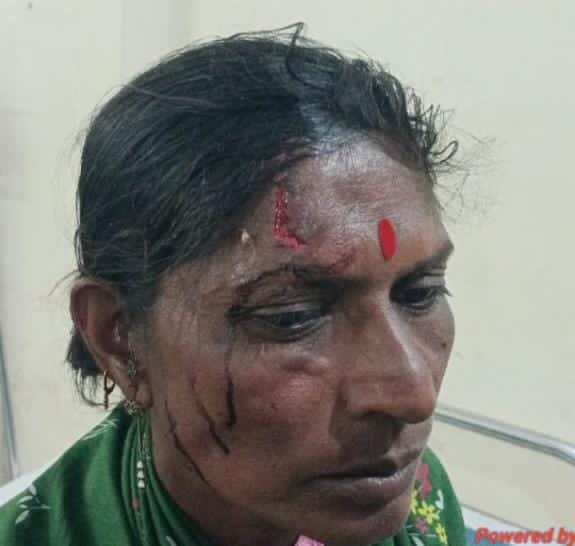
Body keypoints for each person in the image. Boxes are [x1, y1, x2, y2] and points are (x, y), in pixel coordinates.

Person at [0, 24, 466, 546]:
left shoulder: (421, 499)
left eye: (420, 293)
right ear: (119, 337)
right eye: (292, 317)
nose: (414, 396)